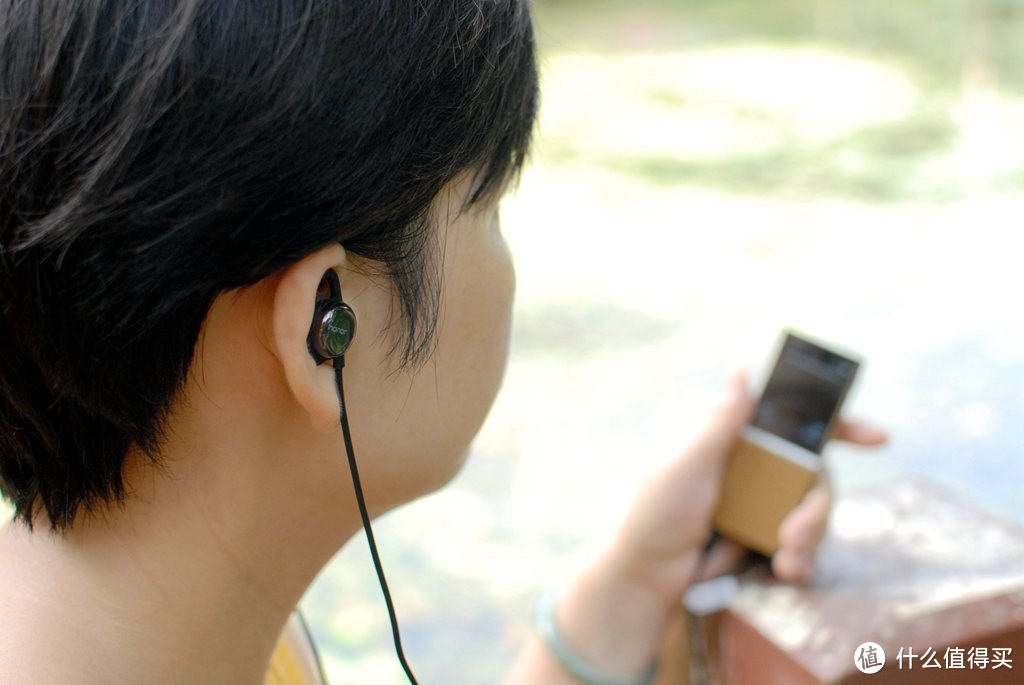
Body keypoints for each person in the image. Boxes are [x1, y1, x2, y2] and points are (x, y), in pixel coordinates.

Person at [0, 2, 886, 684]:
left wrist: (631, 581)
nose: (508, 262)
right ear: (324, 331)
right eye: (489, 207)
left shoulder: (205, 639)